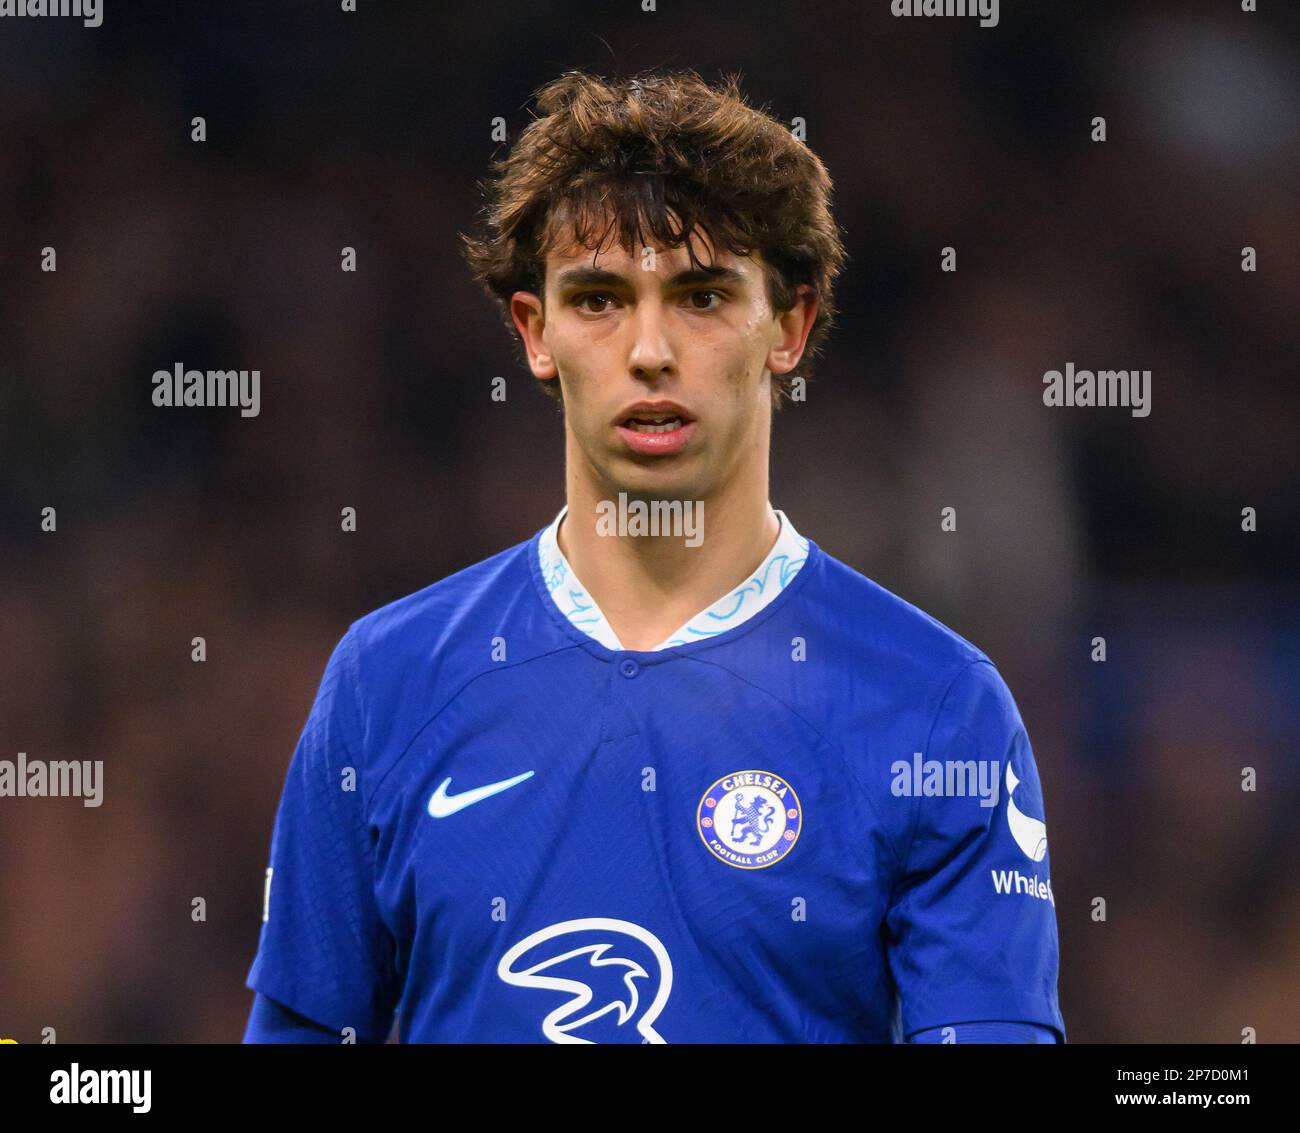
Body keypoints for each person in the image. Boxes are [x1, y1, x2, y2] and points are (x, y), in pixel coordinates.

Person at [243, 68, 1063, 1044]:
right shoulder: (385, 682)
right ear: (534, 330)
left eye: (702, 294)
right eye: (597, 300)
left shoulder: (934, 706)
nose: (649, 350)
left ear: (788, 326)